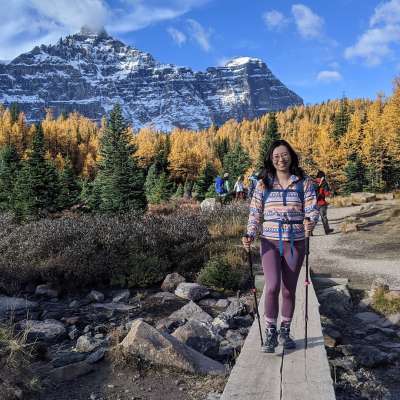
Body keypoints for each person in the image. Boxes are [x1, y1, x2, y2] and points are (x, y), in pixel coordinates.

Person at [242, 139, 319, 353]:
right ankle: (270, 333)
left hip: (296, 242)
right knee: (272, 286)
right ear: (271, 159)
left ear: (291, 156)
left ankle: (285, 331)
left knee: (288, 290)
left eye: (284, 155)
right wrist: (249, 233)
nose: (280, 159)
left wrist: (310, 221)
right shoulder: (263, 183)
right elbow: (255, 213)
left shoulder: (303, 182)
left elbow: (313, 209)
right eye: (276, 156)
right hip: (269, 241)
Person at [314, 171, 334, 235]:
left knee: (313, 218)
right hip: (321, 203)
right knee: (324, 217)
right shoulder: (324, 183)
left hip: (313, 203)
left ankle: (310, 231)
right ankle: (327, 230)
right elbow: (326, 193)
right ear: (323, 176)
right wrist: (331, 192)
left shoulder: (313, 182)